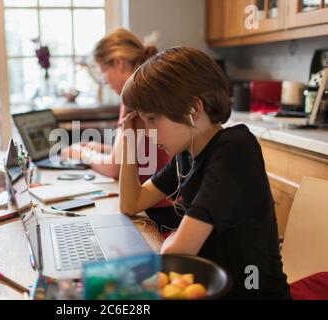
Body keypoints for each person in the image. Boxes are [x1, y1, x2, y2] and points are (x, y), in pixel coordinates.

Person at [119, 46, 290, 299]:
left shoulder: (236, 148)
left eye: (153, 118)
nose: (148, 131)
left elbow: (175, 254)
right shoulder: (187, 152)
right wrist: (129, 142)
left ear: (193, 109)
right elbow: (131, 203)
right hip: (210, 288)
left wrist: (175, 237)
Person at [62, 29, 179, 232]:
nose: (106, 82)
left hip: (154, 209)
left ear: (118, 62)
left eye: (103, 73)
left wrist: (81, 153)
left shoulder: (134, 95)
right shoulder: (151, 84)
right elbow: (138, 152)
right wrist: (98, 148)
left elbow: (114, 168)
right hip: (171, 203)